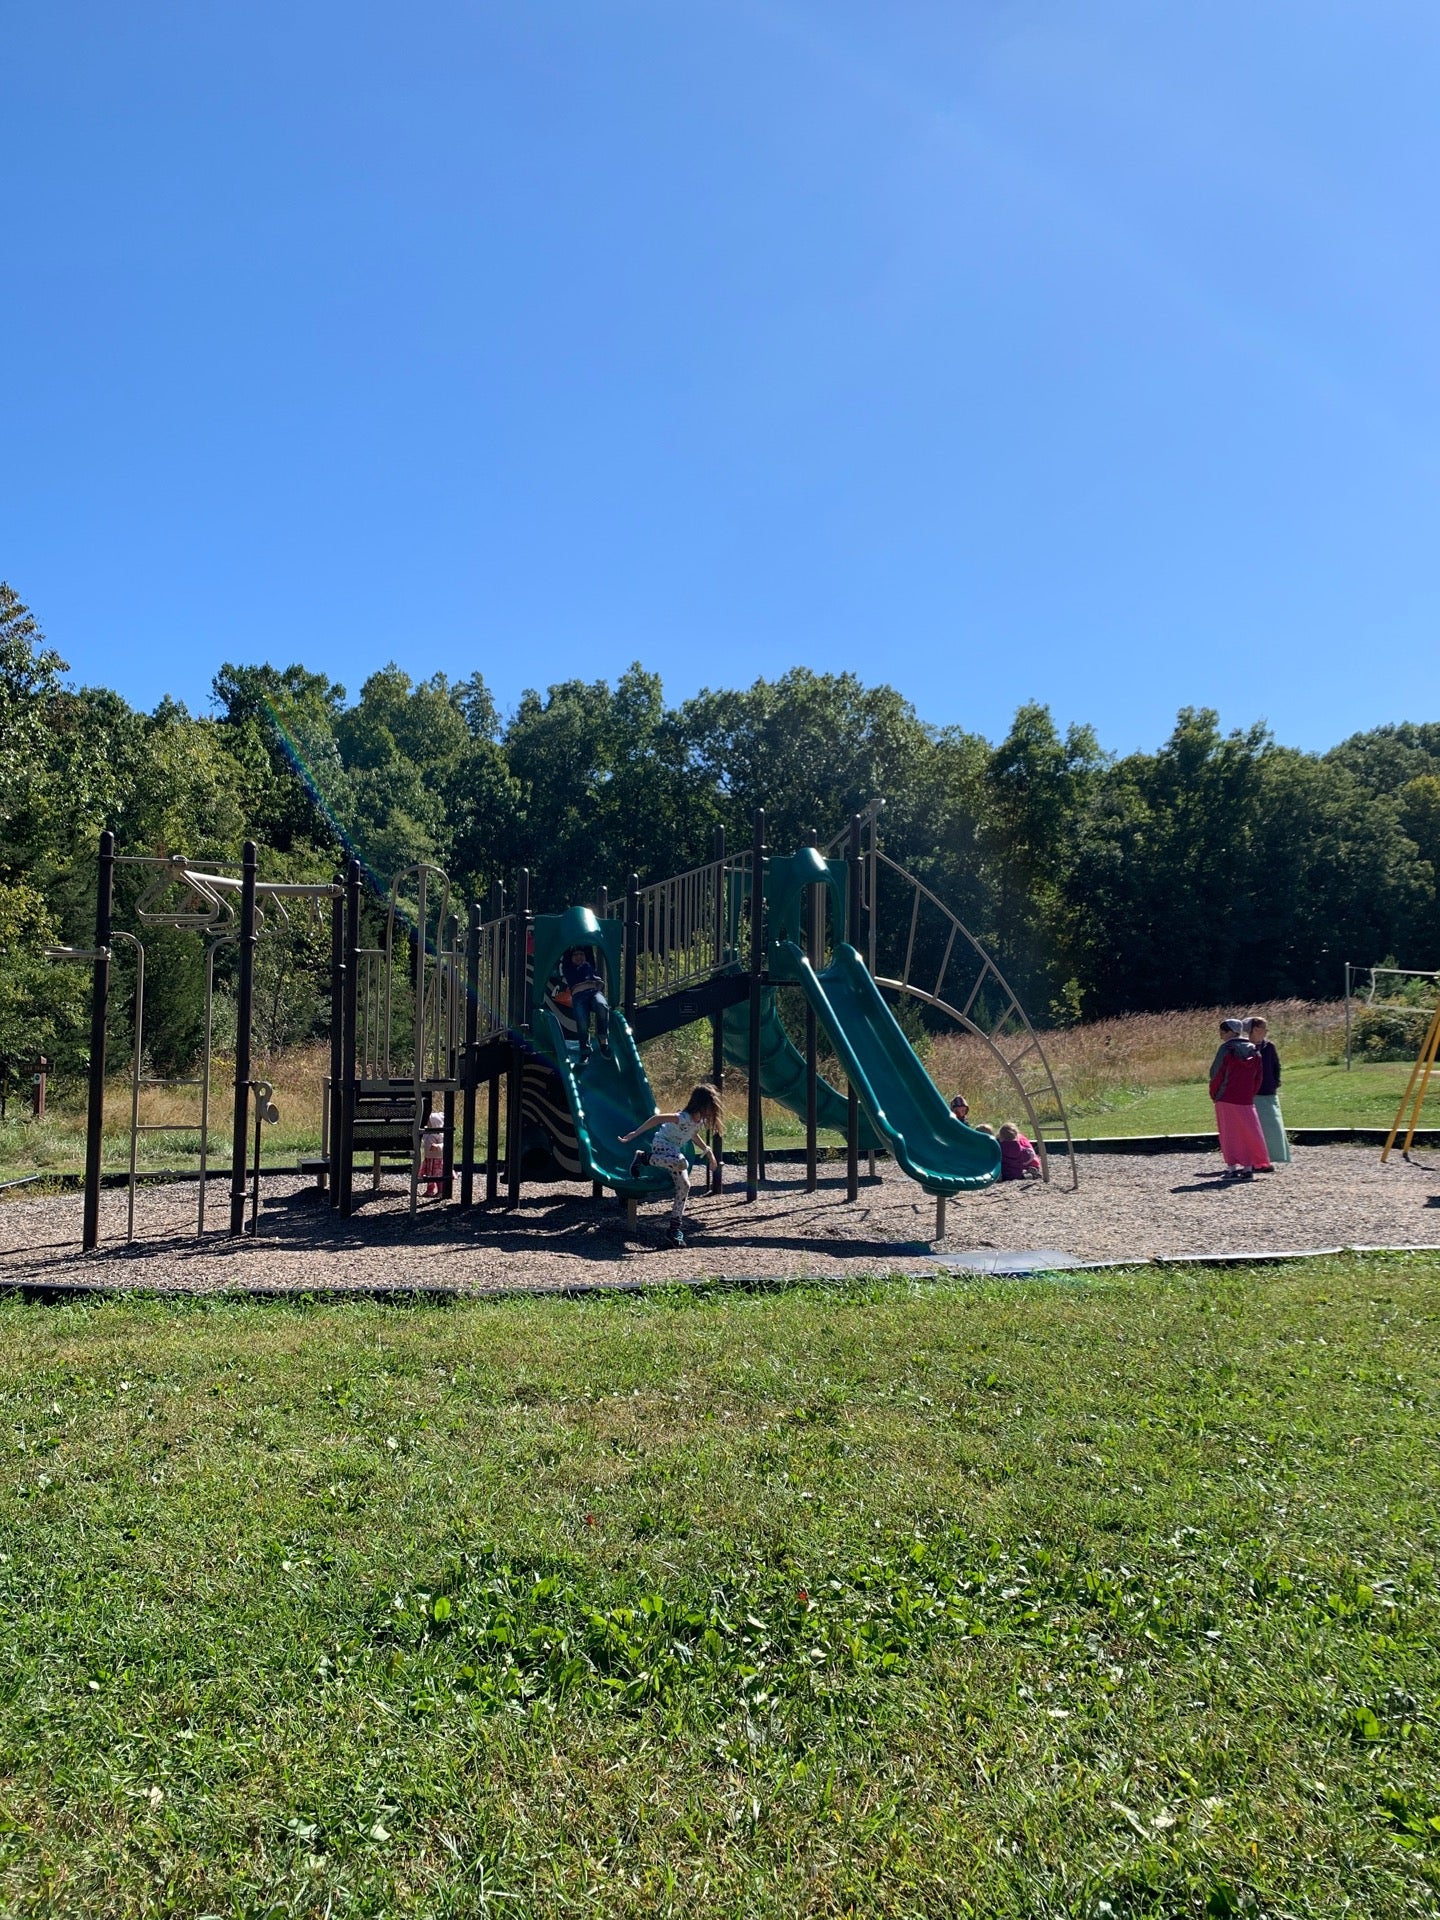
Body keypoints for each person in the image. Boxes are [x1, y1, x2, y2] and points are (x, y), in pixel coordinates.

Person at [620, 1084, 722, 1248]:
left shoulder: (698, 1121)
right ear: (701, 1104)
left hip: (673, 1151)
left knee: (685, 1185)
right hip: (661, 1145)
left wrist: (708, 1152)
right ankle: (644, 1157)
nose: (712, 1111)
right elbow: (657, 1119)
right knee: (683, 1163)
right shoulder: (682, 1116)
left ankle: (674, 1229)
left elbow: (693, 1134)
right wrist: (635, 1133)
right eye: (710, 1106)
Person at [1208, 1018, 1271, 1181]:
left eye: (1222, 1031)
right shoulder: (1253, 1049)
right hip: (1245, 1098)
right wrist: (1251, 1093)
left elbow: (1216, 1074)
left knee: (1229, 1133)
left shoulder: (1226, 1049)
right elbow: (1258, 1076)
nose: (1221, 1035)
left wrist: (1214, 1094)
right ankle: (1248, 1167)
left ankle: (1231, 1168)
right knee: (1247, 1132)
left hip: (1226, 1096)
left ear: (1229, 1031)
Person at [1245, 1016, 1290, 1168]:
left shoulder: (1269, 1046)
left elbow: (1276, 1065)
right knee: (1253, 1129)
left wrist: (1275, 1082)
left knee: (1272, 1128)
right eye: (1264, 1028)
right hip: (1250, 1093)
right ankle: (1253, 1160)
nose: (1266, 1031)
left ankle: (1267, 1159)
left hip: (1268, 1091)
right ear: (1255, 1029)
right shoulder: (1244, 1046)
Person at [562, 945, 610, 1062]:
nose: (579, 957)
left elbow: (587, 947)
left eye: (581, 954)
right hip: (579, 995)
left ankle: (603, 1041)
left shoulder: (589, 964)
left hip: (593, 991)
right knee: (582, 1021)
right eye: (575, 955)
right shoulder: (568, 967)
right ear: (570, 958)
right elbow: (566, 950)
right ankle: (585, 1050)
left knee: (602, 1006)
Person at [420, 1108, 445, 1198]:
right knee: (429, 1175)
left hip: (438, 1158)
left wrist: (438, 1146)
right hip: (429, 1158)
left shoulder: (439, 1134)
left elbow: (445, 1144)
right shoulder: (427, 1133)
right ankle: (430, 1190)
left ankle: (441, 1190)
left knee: (438, 1176)